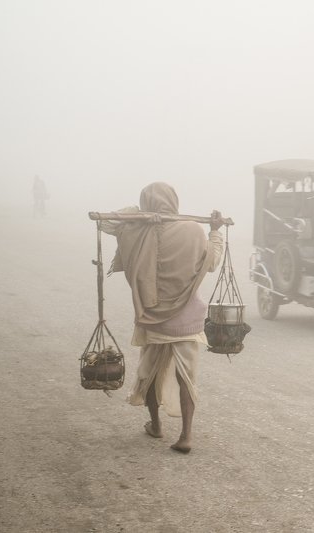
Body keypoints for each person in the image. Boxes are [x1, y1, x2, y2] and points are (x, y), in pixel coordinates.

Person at [101, 182, 224, 453]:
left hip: (153, 318)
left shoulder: (136, 228)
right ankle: (186, 436)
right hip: (187, 320)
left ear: (146, 203)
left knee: (150, 372)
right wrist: (214, 231)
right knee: (186, 378)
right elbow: (213, 262)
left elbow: (106, 223)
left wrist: (137, 213)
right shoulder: (193, 229)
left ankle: (155, 425)